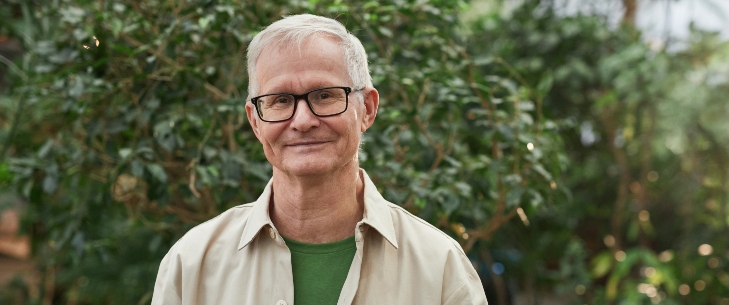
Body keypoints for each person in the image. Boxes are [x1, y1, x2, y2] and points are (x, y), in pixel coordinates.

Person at [151, 14, 487, 305]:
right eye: (280, 100)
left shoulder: (439, 268)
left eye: (324, 95)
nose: (302, 121)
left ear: (367, 109)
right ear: (255, 121)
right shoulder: (192, 263)